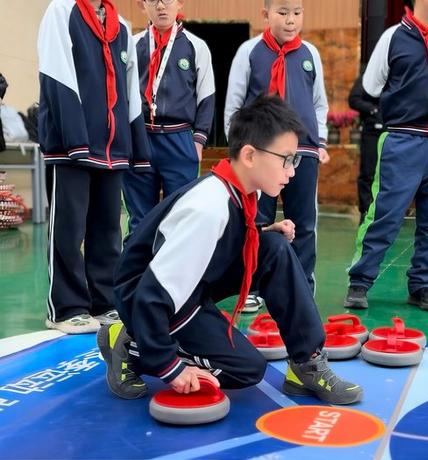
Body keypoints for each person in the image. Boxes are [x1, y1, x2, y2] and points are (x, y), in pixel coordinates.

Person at [98, 96, 362, 405]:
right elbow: (151, 295)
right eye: (286, 159)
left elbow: (218, 241)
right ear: (250, 155)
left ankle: (306, 363)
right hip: (148, 300)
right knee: (245, 369)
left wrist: (262, 232)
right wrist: (170, 367)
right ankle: (130, 343)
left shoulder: (237, 188)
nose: (292, 171)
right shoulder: (209, 208)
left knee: (274, 249)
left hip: (185, 287)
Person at [344, 0, 428, 312]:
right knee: (385, 213)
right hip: (403, 139)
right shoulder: (393, 38)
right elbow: (371, 86)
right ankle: (360, 280)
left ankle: (423, 284)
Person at [38, 0, 150, 334]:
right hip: (70, 144)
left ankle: (104, 301)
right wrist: (76, 139)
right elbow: (56, 75)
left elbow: (131, 90)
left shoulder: (124, 27)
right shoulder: (60, 11)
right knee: (69, 229)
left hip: (111, 148)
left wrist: (134, 145)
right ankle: (66, 306)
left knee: (108, 229)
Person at [223, 0, 329, 301]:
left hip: (303, 152)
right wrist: (239, 151)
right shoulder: (250, 52)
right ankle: (254, 287)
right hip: (262, 153)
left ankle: (302, 286)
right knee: (258, 220)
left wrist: (319, 142)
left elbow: (319, 103)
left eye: (297, 13)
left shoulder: (311, 54)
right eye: (282, 13)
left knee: (305, 222)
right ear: (265, 14)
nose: (290, 20)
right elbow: (235, 103)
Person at [122, 0, 215, 233]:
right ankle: (137, 270)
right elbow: (122, 95)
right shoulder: (132, 45)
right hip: (140, 138)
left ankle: (176, 270)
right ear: (143, 5)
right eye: (154, 1)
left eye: (168, 0)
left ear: (180, 3)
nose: (161, 7)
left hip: (179, 139)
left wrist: (199, 141)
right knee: (140, 219)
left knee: (181, 215)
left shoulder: (197, 46)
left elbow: (206, 96)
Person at [348, 69, 383, 226]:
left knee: (390, 174)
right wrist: (373, 110)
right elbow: (354, 99)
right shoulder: (369, 75)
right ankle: (366, 211)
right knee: (368, 172)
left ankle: (385, 212)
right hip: (372, 131)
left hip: (394, 131)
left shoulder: (399, 74)